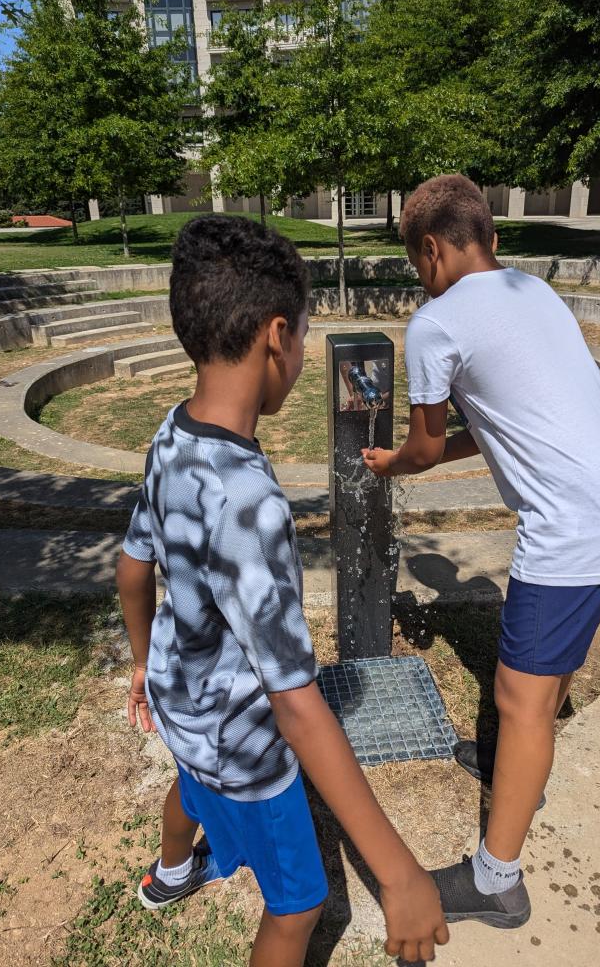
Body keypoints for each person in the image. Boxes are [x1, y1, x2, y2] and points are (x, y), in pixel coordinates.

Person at [116, 215, 449, 966]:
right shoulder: (251, 505)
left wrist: (143, 663)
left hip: (177, 696)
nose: (299, 353)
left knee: (191, 788)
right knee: (296, 906)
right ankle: (186, 869)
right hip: (241, 745)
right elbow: (297, 706)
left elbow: (133, 569)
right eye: (300, 335)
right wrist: (397, 876)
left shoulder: (170, 436)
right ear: (276, 335)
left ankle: (171, 872)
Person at [363, 174, 600, 928]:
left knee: (518, 700)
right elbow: (501, 421)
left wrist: (388, 464)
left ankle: (496, 881)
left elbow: (426, 450)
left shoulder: (435, 324)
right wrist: (423, 451)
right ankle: (509, 771)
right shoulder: (530, 293)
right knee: (547, 678)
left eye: (415, 261)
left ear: (428, 249)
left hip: (574, 521)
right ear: (488, 237)